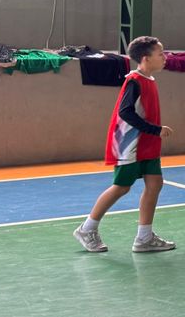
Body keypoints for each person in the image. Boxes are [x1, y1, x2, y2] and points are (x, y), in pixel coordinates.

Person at [74, 34, 176, 254]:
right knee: (121, 186)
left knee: (155, 184)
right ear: (146, 58)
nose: (165, 57)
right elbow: (125, 112)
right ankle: (87, 228)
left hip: (147, 143)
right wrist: (155, 129)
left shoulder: (149, 80)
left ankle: (144, 237)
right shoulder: (134, 81)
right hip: (130, 144)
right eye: (160, 54)